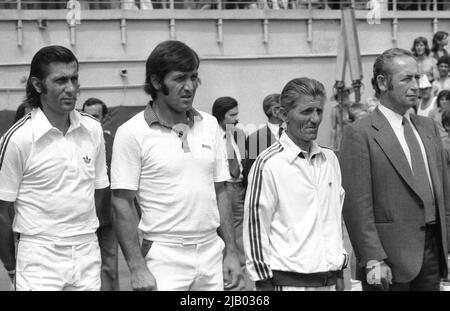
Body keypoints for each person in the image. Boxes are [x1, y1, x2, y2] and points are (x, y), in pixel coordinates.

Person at [111, 40, 241, 291]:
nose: (190, 87)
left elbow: (221, 190)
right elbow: (121, 202)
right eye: (180, 78)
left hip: (211, 251)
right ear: (157, 82)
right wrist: (137, 268)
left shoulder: (211, 124)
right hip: (163, 255)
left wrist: (231, 252)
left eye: (194, 77)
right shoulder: (132, 132)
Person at [0, 45, 109, 291]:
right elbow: (2, 211)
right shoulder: (18, 138)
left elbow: (100, 190)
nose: (71, 88)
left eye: (74, 78)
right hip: (39, 255)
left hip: (86, 250)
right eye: (60, 80)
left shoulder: (93, 129)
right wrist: (11, 266)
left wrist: (80, 232)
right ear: (38, 85)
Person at [340, 48, 450, 291]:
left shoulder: (429, 127)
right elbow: (357, 207)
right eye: (406, 79)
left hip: (432, 253)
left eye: (417, 77)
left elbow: (444, 193)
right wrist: (372, 258)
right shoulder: (360, 134)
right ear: (382, 83)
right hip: (388, 260)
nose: (416, 85)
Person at [243, 77, 348, 291]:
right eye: (306, 111)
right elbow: (256, 226)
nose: (315, 119)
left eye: (319, 111)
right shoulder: (268, 164)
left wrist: (339, 270)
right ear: (284, 115)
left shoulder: (330, 160)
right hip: (288, 282)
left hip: (328, 279)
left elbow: (334, 219)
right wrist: (263, 283)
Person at [82, 97, 119, 291]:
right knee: (84, 270)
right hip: (80, 218)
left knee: (110, 268)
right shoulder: (74, 142)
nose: (90, 119)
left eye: (95, 116)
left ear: (105, 118)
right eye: (86, 115)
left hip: (107, 217)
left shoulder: (115, 143)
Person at [212, 96, 247, 290]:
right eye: (232, 115)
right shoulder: (211, 135)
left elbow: (244, 161)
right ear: (221, 115)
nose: (236, 118)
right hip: (222, 189)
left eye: (237, 114)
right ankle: (224, 278)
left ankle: (238, 281)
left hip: (239, 188)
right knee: (224, 235)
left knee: (240, 236)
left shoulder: (237, 135)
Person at [242, 93, 283, 185]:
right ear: (275, 111)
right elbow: (250, 172)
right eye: (285, 108)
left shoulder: (291, 135)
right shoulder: (254, 138)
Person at [330, 86, 353, 151]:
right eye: (343, 95)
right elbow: (333, 129)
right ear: (338, 98)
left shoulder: (352, 108)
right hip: (341, 138)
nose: (346, 97)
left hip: (353, 137)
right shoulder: (335, 110)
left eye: (346, 94)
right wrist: (332, 145)